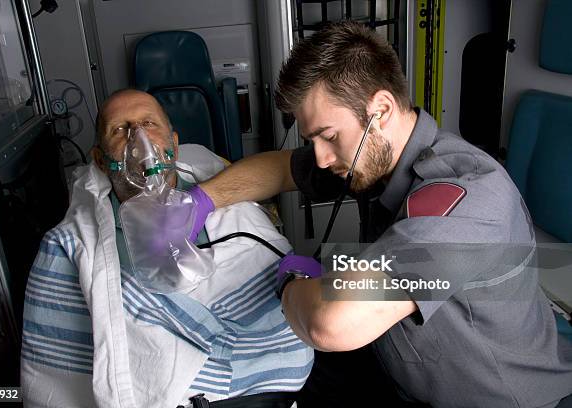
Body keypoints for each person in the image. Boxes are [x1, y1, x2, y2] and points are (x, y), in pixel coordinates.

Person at [181, 22, 572, 407]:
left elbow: (332, 323)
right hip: (399, 367)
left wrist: (291, 283)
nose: (320, 156)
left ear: (380, 110)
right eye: (312, 139)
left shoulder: (469, 202)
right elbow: (280, 168)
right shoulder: (373, 153)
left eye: (329, 136)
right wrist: (200, 200)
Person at [21, 89, 313, 408]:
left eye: (149, 123)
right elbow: (54, 384)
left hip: (282, 388)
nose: (139, 139)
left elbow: (345, 310)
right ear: (101, 161)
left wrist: (329, 285)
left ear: (173, 145)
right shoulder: (72, 244)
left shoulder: (226, 201)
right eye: (120, 130)